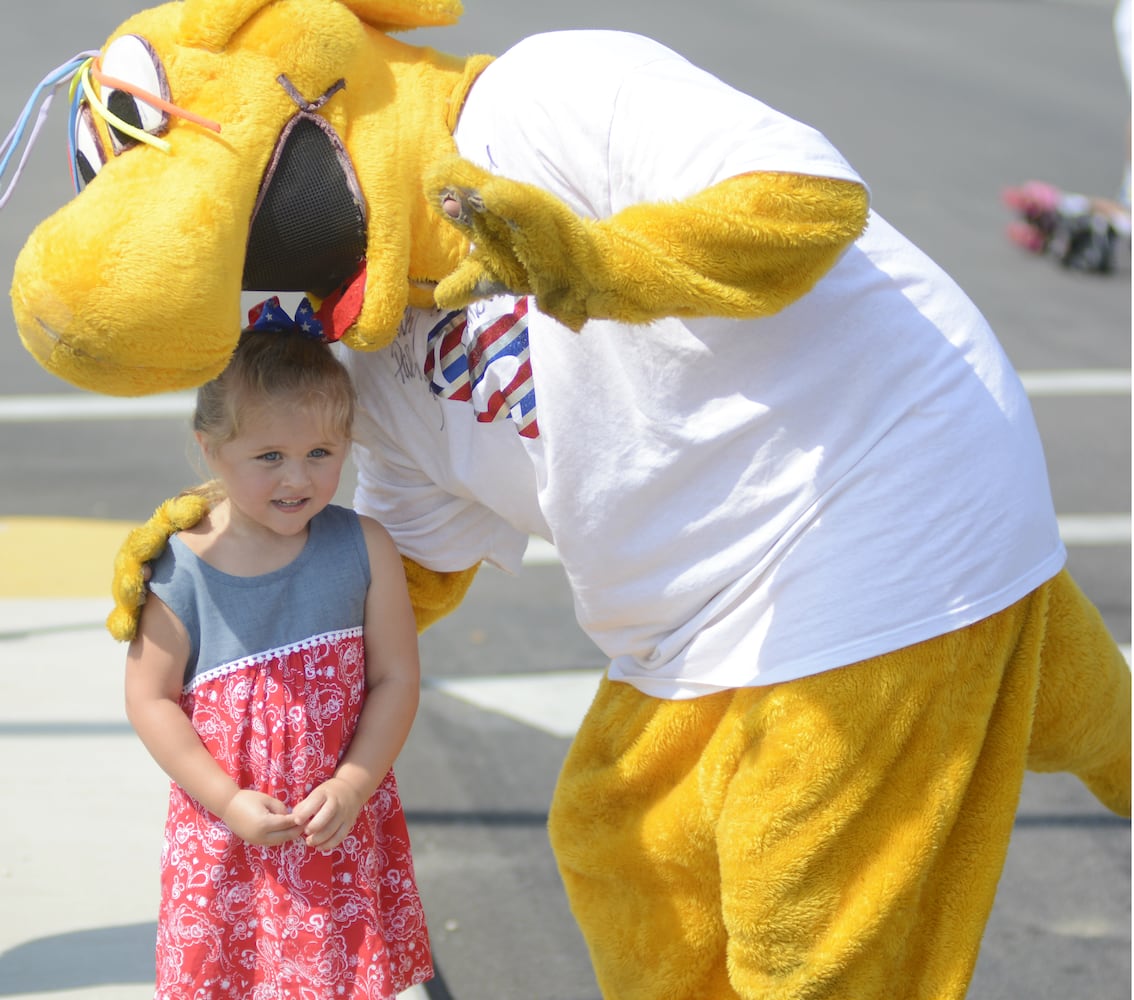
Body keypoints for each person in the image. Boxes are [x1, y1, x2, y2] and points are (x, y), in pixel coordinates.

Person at [123, 300, 432, 1000]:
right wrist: (226, 801)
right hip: (231, 835)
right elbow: (150, 699)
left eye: (320, 454)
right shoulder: (182, 568)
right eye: (270, 457)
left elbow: (396, 678)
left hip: (337, 831)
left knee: (338, 980)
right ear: (211, 449)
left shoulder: (363, 547)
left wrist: (354, 784)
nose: (298, 480)